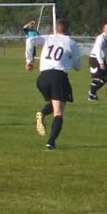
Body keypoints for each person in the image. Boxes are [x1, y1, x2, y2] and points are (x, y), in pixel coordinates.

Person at [27, 17, 82, 150]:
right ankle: (50, 142)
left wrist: (30, 60)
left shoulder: (47, 38)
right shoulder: (71, 43)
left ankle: (43, 114)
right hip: (58, 76)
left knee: (55, 103)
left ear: (55, 29)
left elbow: (29, 40)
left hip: (42, 78)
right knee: (59, 112)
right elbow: (77, 67)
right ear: (68, 29)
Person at [86, 22, 107, 101]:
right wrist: (101, 63)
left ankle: (92, 91)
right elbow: (98, 51)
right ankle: (92, 96)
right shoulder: (100, 38)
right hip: (94, 58)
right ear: (104, 29)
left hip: (102, 59)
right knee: (97, 78)